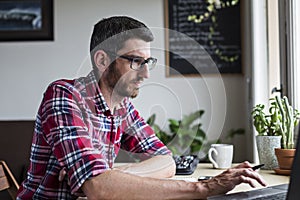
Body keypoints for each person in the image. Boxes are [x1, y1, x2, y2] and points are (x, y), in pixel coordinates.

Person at [17, 16, 266, 199]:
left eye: (148, 62)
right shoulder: (64, 96)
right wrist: (205, 187)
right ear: (103, 60)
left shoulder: (121, 106)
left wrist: (115, 175)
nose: (146, 74)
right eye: (136, 62)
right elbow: (99, 189)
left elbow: (166, 161)